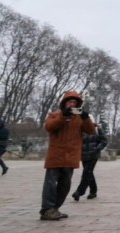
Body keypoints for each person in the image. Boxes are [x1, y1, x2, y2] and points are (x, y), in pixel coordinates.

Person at [40, 91, 96, 220]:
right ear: (64, 103)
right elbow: (49, 127)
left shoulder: (80, 118)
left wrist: (86, 118)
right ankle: (46, 209)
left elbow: (91, 130)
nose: (72, 104)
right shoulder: (55, 115)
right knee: (50, 184)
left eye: (74, 102)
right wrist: (63, 117)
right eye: (70, 102)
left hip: (71, 157)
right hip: (55, 156)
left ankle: (55, 208)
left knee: (65, 185)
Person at [72, 119, 108, 201]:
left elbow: (104, 141)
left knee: (86, 172)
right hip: (84, 155)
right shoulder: (80, 130)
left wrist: (97, 149)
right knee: (89, 173)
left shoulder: (97, 129)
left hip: (93, 155)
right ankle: (93, 191)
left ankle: (79, 191)